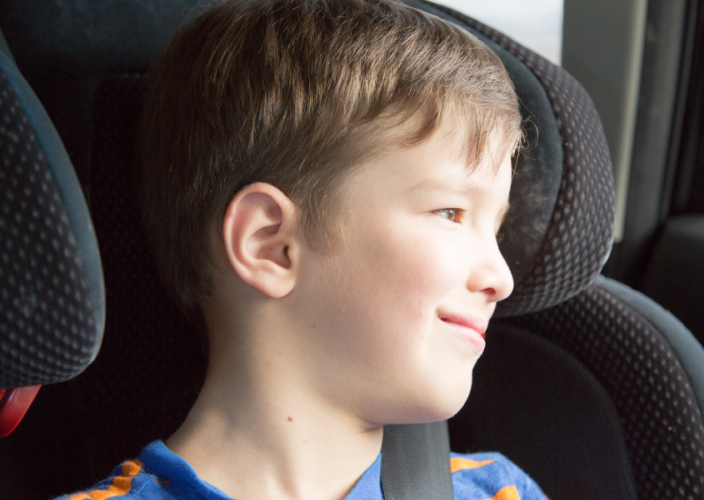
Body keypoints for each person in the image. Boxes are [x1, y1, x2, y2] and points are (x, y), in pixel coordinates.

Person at [57, 0, 547, 498]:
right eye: (450, 213)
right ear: (271, 245)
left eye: (497, 230)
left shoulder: (500, 493)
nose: (501, 278)